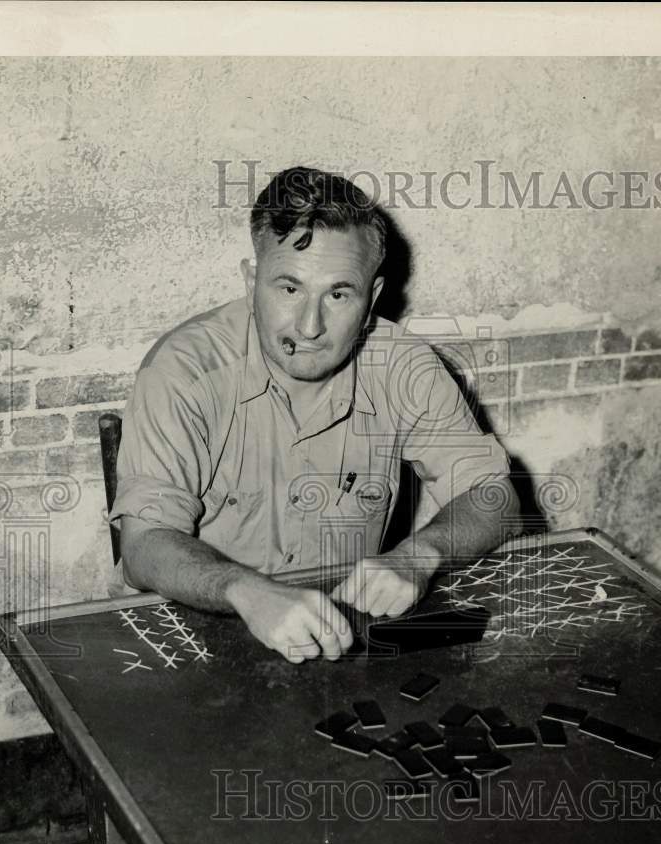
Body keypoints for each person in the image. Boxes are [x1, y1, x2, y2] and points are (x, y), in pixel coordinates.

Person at [109, 166, 518, 663]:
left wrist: (417, 556)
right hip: (191, 638)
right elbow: (145, 543)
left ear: (372, 299)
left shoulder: (404, 367)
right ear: (251, 280)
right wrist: (248, 591)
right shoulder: (186, 372)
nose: (309, 325)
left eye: (339, 294)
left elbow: (495, 497)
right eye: (289, 289)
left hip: (335, 638)